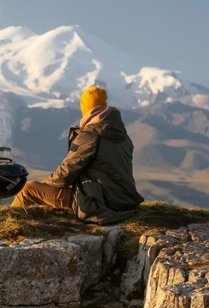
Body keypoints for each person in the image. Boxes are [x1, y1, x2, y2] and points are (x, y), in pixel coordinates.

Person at [11, 86, 144, 224]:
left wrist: (44, 184)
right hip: (124, 200)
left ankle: (12, 223)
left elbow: (64, 175)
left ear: (85, 108)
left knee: (28, 189)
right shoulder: (123, 135)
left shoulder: (91, 135)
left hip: (99, 202)